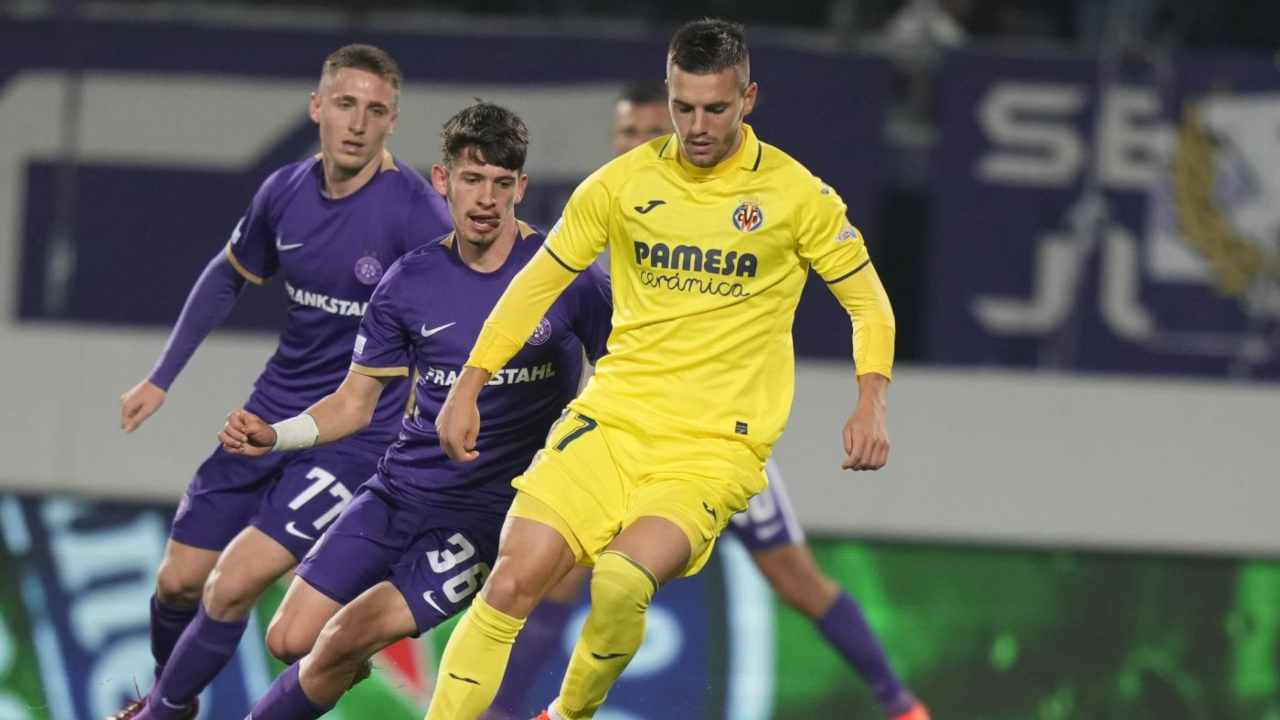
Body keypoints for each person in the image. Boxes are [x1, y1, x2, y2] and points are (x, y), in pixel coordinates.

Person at [428, 18, 902, 720]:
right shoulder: (620, 184)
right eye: (684, 107)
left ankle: (565, 714)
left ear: (748, 99)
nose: (697, 126)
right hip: (610, 424)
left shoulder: (797, 196)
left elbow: (870, 305)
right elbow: (535, 286)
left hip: (710, 450)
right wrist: (468, 385)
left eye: (716, 108)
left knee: (621, 582)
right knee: (510, 582)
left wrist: (871, 401)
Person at [217, 101, 612, 720]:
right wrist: (278, 435)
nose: (486, 199)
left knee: (345, 636)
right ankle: (342, 662)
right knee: (289, 640)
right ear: (442, 180)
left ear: (521, 187)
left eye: (501, 182)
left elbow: (626, 375)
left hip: (487, 517)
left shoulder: (568, 279)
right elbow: (354, 403)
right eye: (472, 179)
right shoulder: (408, 282)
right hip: (399, 491)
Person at [111, 44, 451, 720]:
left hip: (352, 438)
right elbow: (227, 275)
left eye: (375, 110)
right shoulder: (285, 191)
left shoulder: (416, 215)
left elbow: (464, 313)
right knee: (178, 582)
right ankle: (172, 698)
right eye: (346, 104)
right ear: (317, 107)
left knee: (232, 583)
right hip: (267, 415)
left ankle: (161, 714)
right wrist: (161, 377)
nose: (358, 123)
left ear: (393, 122)